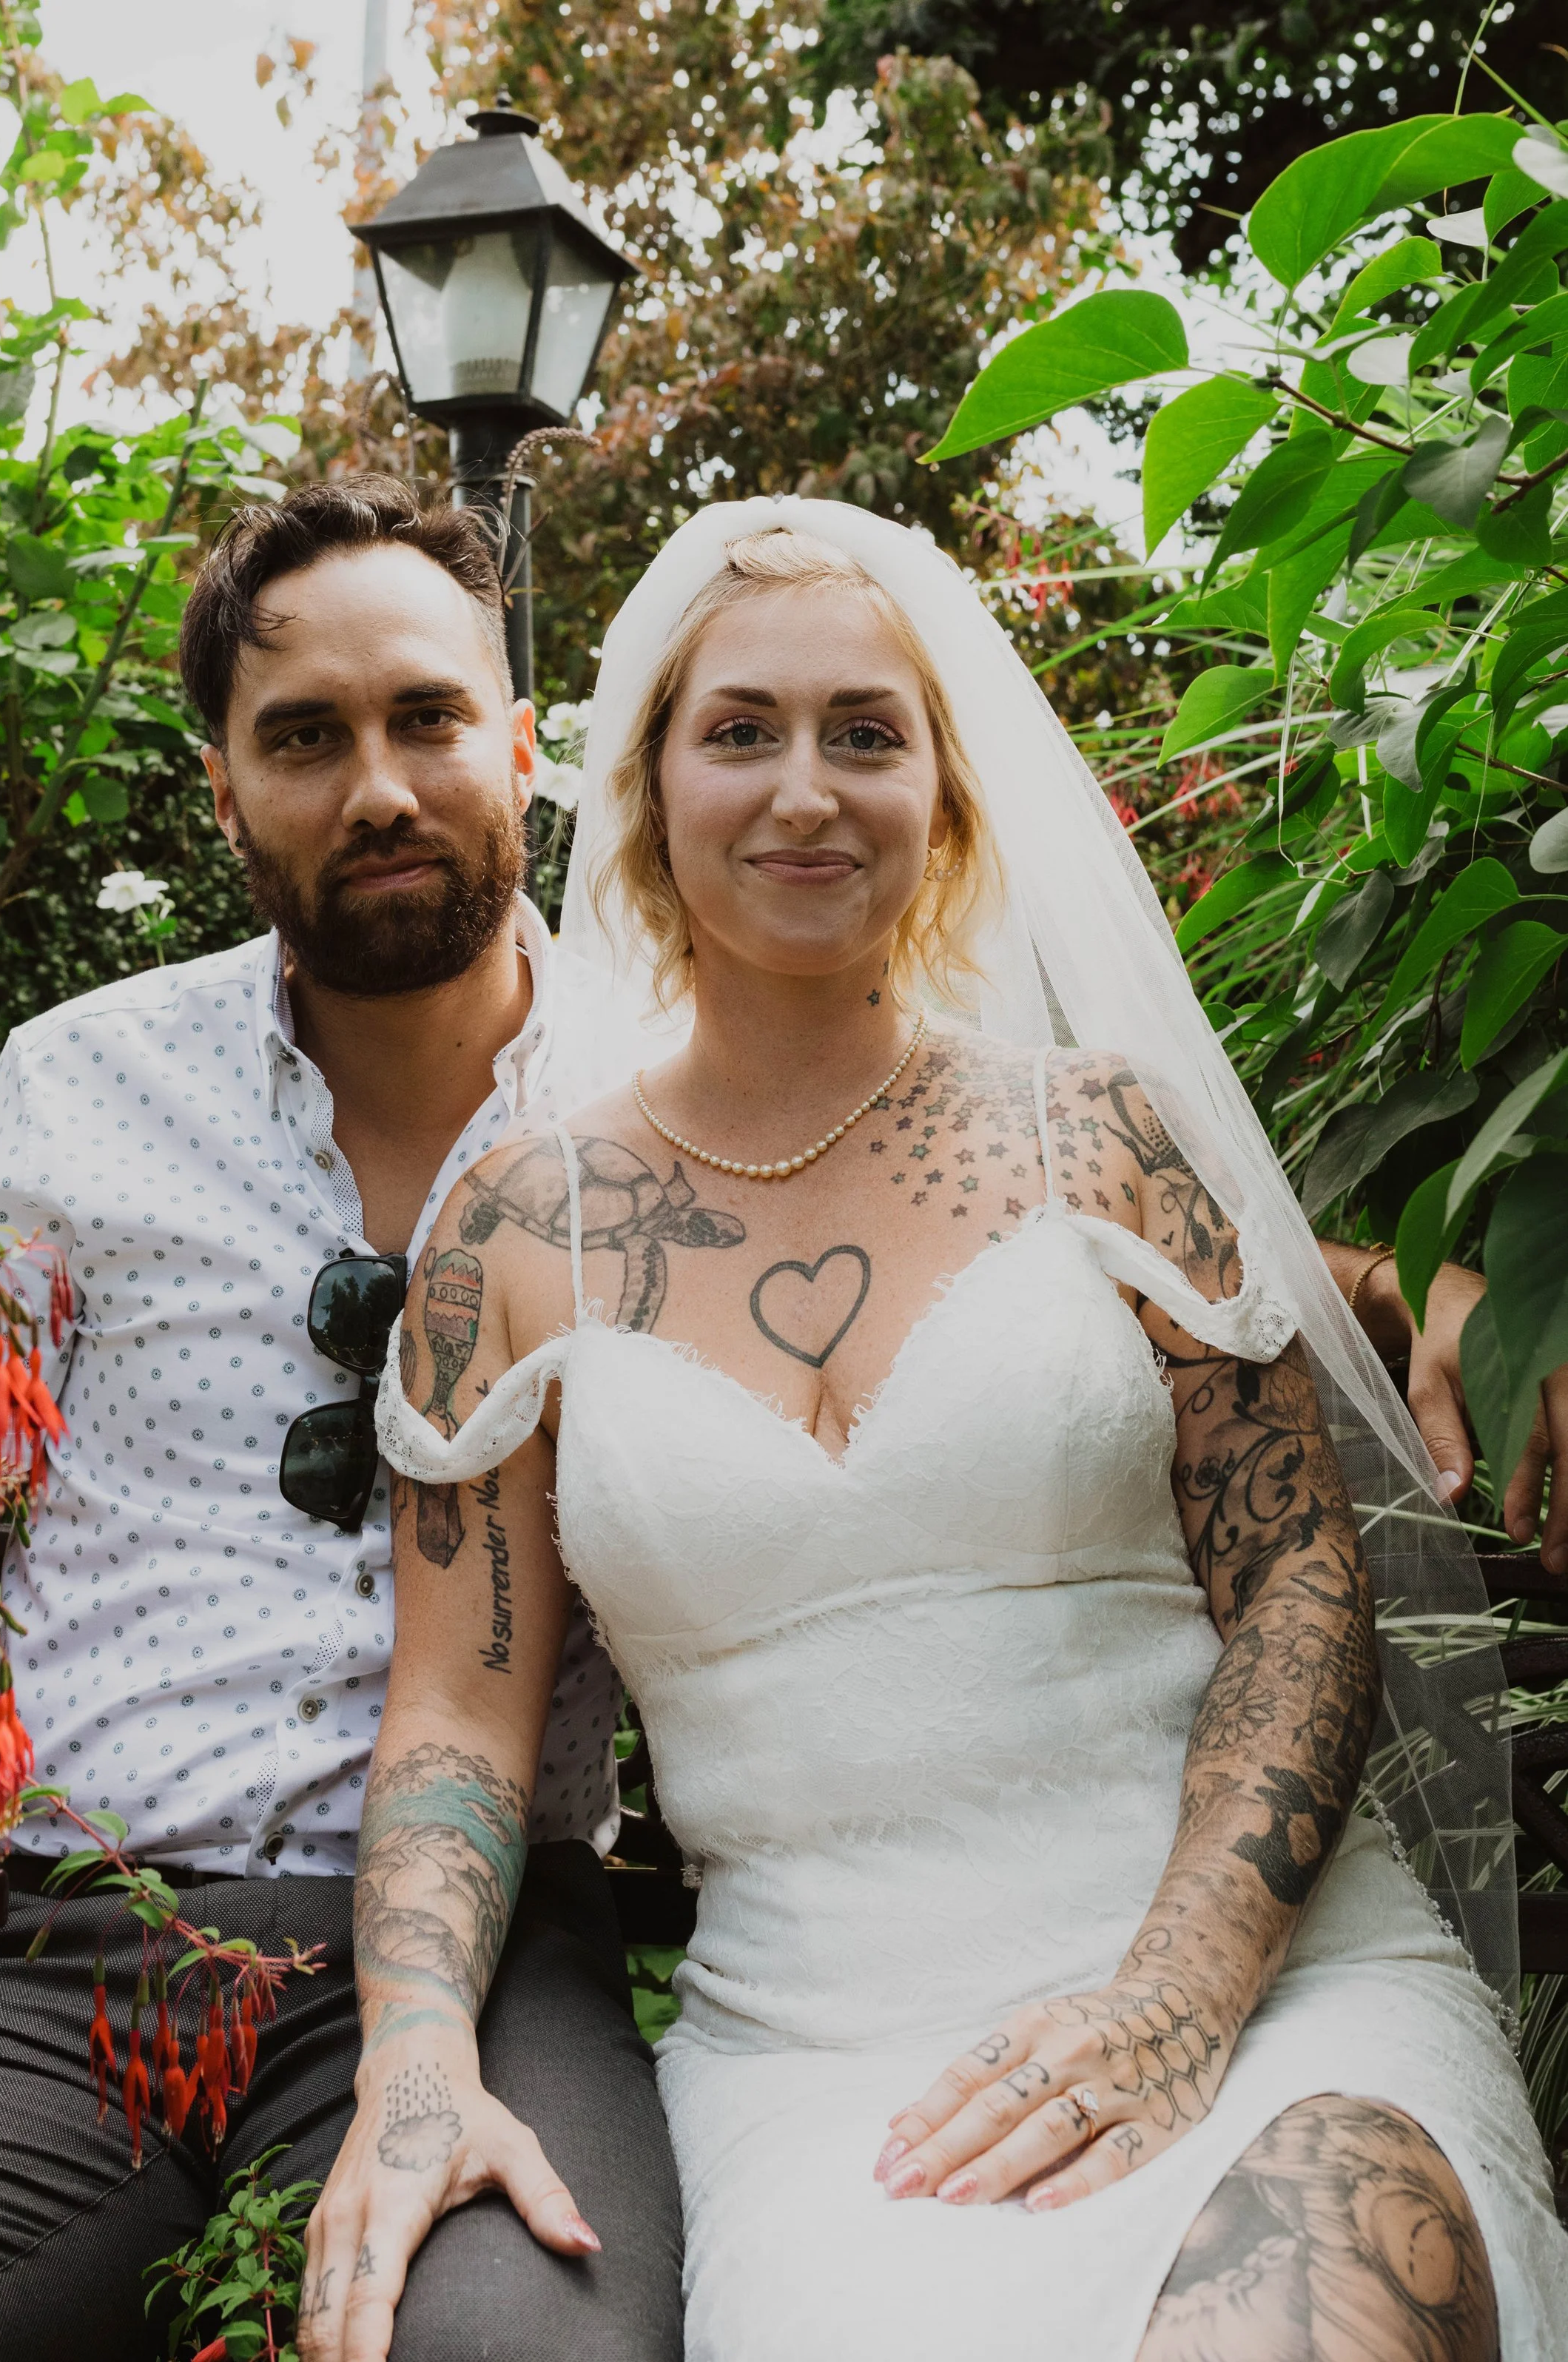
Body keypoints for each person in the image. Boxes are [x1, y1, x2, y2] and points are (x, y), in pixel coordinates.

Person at [306, 508, 1568, 2362]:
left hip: (1265, 1985)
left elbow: (1299, 1583)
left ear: (946, 800)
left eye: (864, 734)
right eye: (740, 731)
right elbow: (456, 1721)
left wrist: (1177, 1993)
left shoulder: (1103, 1136)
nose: (803, 789)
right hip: (821, 2068)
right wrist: (414, 2058)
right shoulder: (507, 1239)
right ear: (645, 796)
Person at [0, 480, 684, 2362]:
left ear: (518, 741)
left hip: (489, 1951)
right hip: (61, 1948)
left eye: (426, 718)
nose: (378, 787)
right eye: (304, 738)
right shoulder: (80, 1087)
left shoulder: (667, 1108)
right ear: (224, 793)